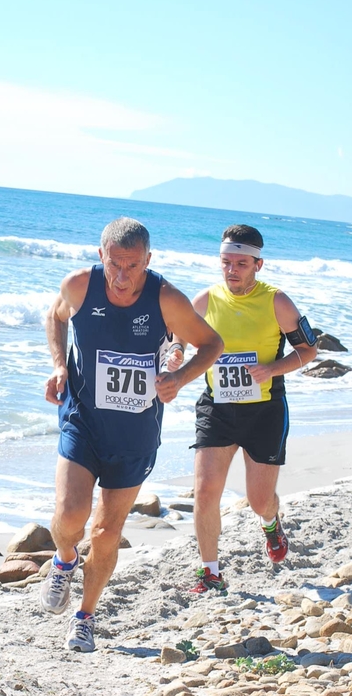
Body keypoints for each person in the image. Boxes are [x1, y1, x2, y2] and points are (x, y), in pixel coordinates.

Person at [40, 216, 224, 651]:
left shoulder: (166, 299)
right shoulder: (80, 285)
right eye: (115, 265)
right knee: (69, 516)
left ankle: (85, 617)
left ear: (149, 260)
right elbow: (54, 316)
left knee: (106, 531)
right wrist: (59, 364)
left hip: (135, 433)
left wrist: (181, 378)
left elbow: (212, 344)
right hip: (83, 418)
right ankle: (64, 558)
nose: (123, 278)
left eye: (134, 266)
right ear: (101, 255)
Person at [167, 224, 318, 594]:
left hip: (264, 411)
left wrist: (272, 368)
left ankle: (271, 524)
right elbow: (178, 335)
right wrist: (177, 351)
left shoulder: (277, 302)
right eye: (225, 262)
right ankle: (210, 573)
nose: (231, 270)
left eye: (240, 263)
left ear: (258, 265)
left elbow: (309, 350)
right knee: (204, 493)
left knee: (259, 500)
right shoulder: (205, 300)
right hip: (216, 409)